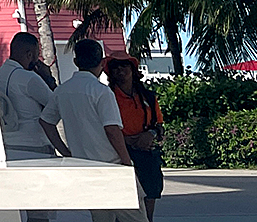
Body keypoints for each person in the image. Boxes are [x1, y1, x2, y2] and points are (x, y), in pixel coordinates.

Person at [39, 40, 141, 222]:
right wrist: (127, 163)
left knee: (101, 218)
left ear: (76, 62)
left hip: (85, 166)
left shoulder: (62, 91)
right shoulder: (102, 92)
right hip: (112, 165)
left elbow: (46, 122)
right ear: (102, 62)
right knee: (135, 218)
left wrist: (65, 152)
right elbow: (112, 130)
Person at [106, 59, 165, 221]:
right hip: (119, 154)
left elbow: (159, 125)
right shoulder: (107, 96)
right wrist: (127, 140)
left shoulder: (148, 96)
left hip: (146, 153)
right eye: (115, 67)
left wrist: (150, 134)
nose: (120, 70)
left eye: (124, 65)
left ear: (133, 70)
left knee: (150, 193)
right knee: (124, 199)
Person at [0, 32, 62, 158]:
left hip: (8, 143)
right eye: (37, 55)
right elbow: (56, 104)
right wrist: (48, 78)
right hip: (35, 144)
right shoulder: (29, 78)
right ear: (29, 54)